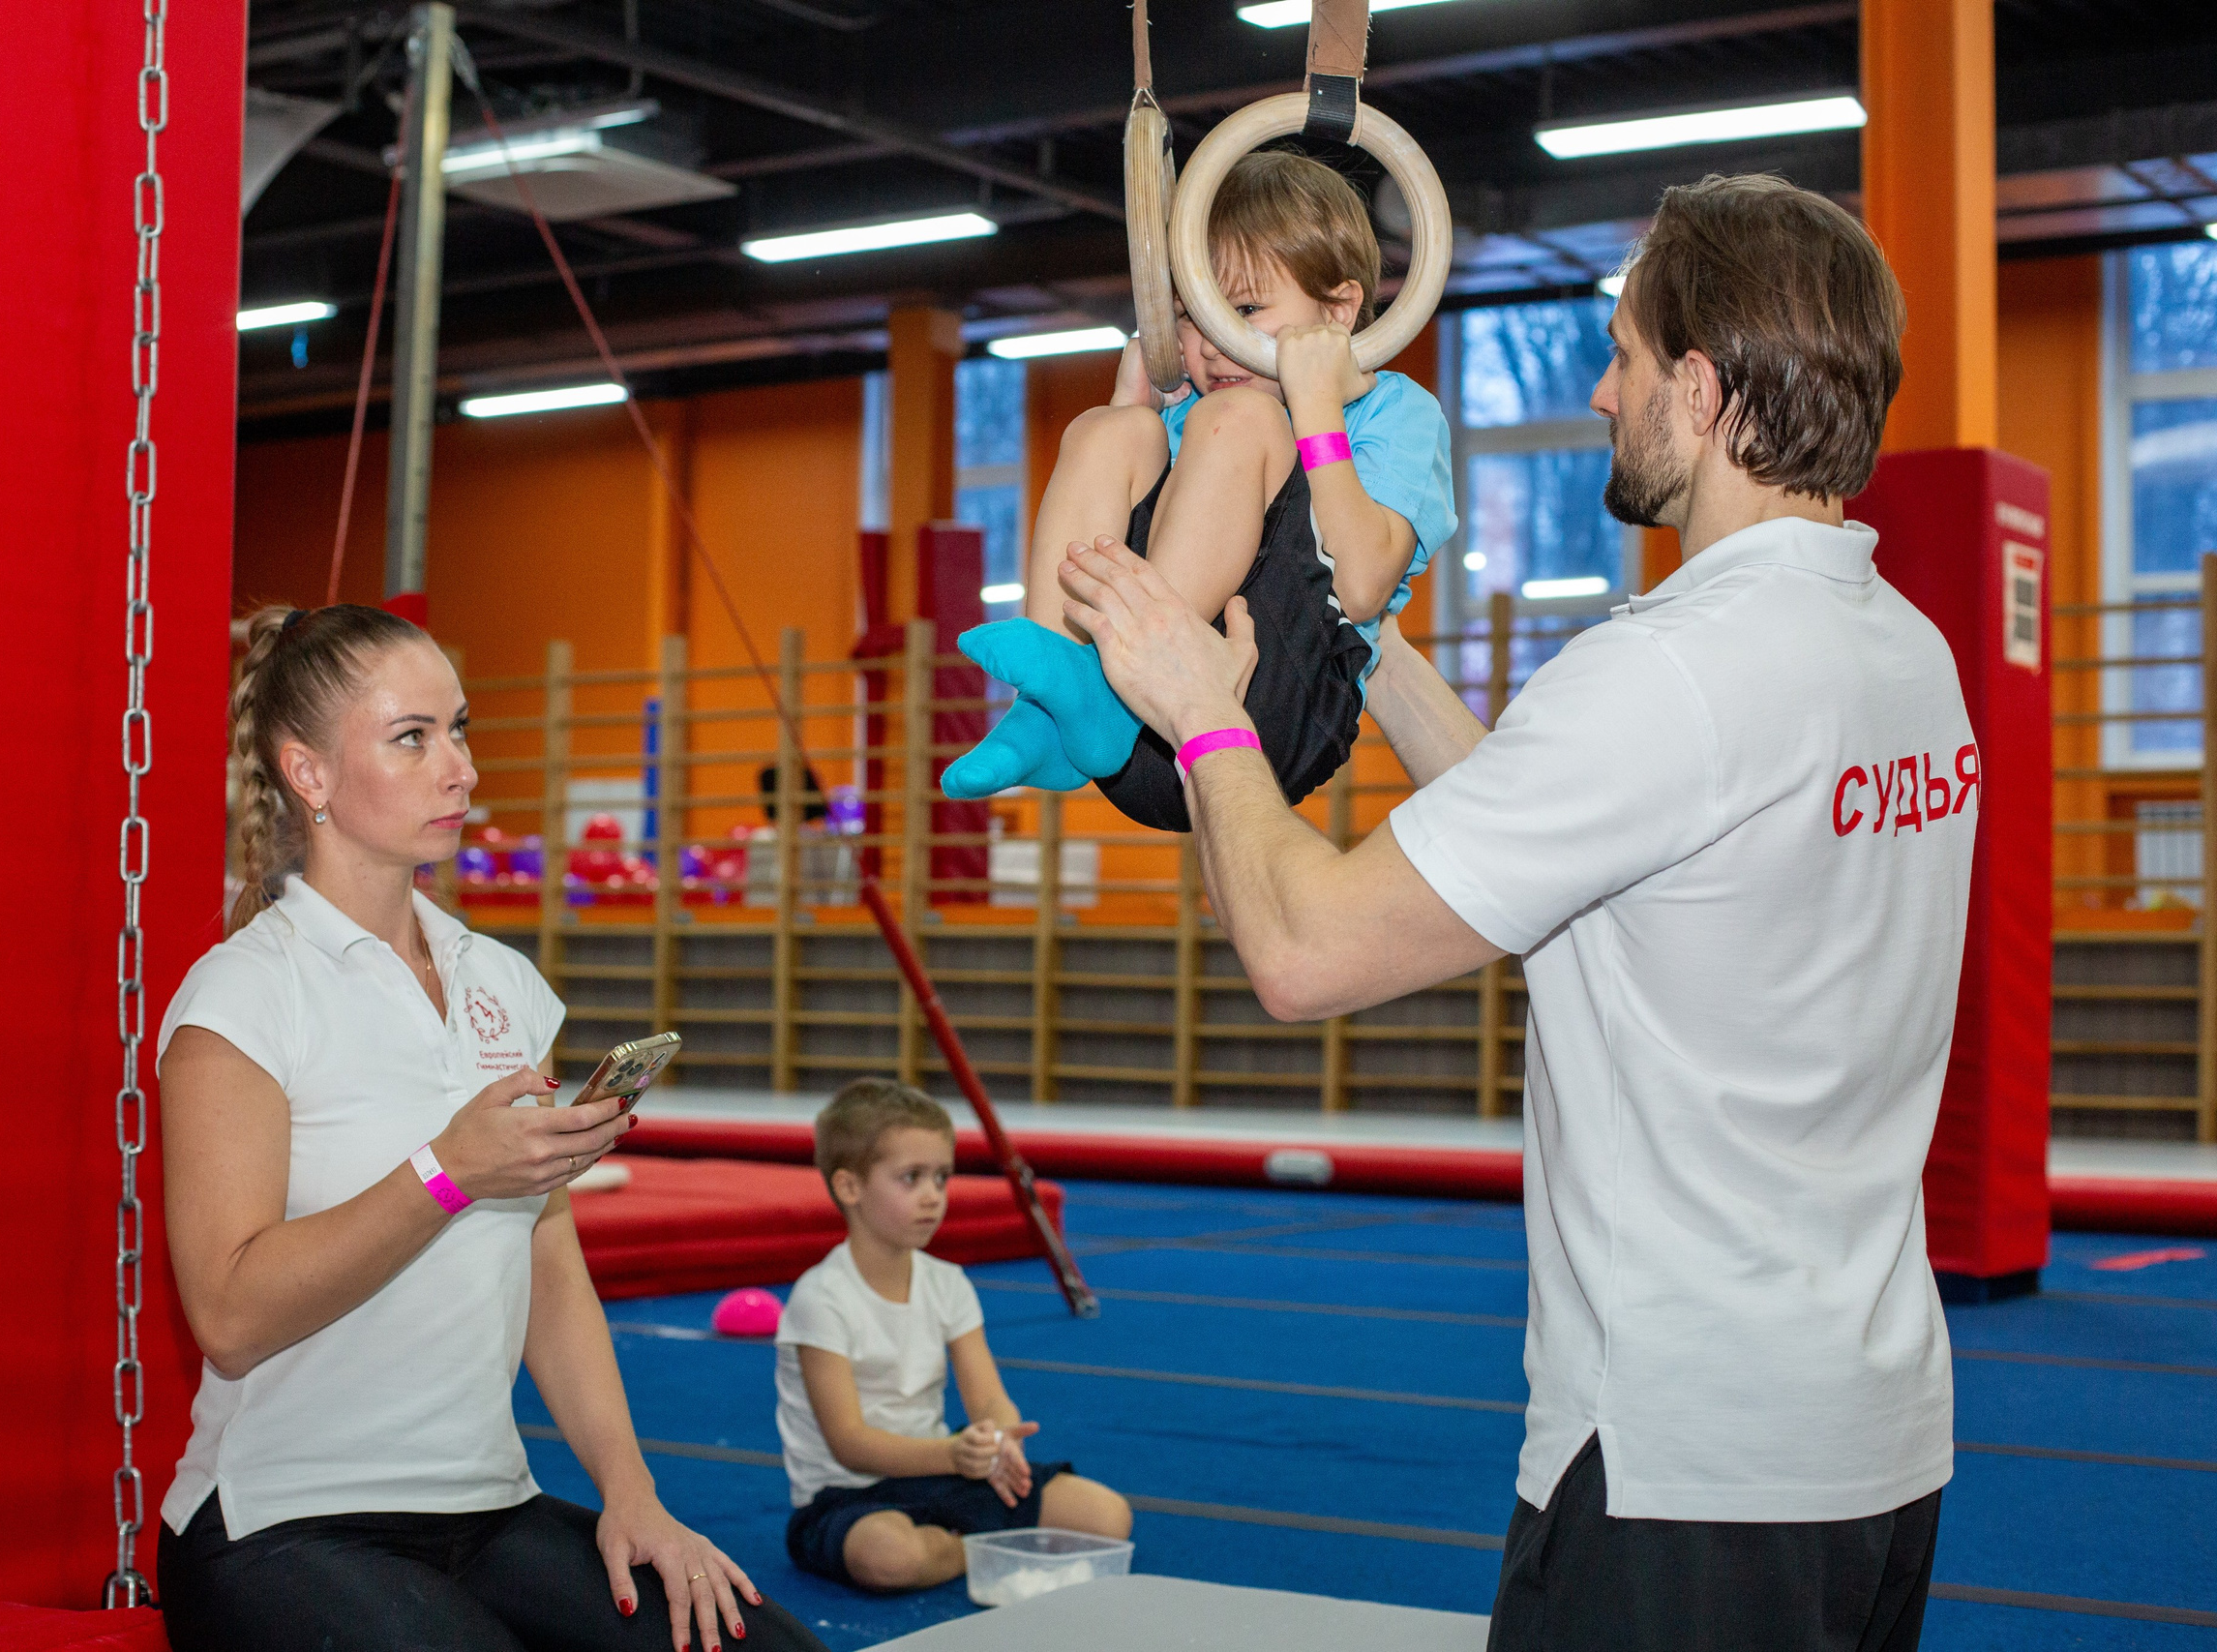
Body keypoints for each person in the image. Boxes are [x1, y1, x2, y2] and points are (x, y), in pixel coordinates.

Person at [1056, 174, 1968, 1650]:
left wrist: (1203, 712)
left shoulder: (1673, 670)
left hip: (1678, 1465)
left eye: (1618, 356)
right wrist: (1366, 637)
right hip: (1873, 1439)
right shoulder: (1902, 650)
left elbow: (1303, 951)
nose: (1600, 394)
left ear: (1700, 384)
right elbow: (1572, 845)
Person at [155, 604, 827, 1652]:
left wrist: (632, 1494)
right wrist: (446, 1171)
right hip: (284, 1525)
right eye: (411, 738)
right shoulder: (242, 996)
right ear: (309, 774)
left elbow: (547, 1258)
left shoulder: (499, 983)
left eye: (459, 729)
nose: (459, 768)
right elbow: (231, 1315)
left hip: (486, 1509)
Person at [943, 149, 1455, 830]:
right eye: (1190, 317)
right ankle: (1048, 710)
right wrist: (1134, 410)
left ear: (1337, 313)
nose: (1212, 344)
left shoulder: (1394, 411)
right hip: (1131, 752)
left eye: (1242, 309)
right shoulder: (1192, 411)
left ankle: (1107, 683)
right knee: (1105, 430)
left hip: (1274, 712)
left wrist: (1318, 412)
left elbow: (1361, 588)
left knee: (1240, 418)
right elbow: (1124, 499)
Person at [774, 1080, 1133, 1591]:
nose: (932, 1197)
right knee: (889, 1558)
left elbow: (987, 1395)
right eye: (911, 1178)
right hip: (846, 1496)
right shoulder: (822, 1298)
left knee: (1107, 1518)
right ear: (850, 1187)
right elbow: (849, 1443)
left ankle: (953, 1545)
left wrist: (1002, 1438)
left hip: (941, 1476)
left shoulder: (947, 1282)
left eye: (941, 1177)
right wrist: (952, 1454)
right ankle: (979, 1548)